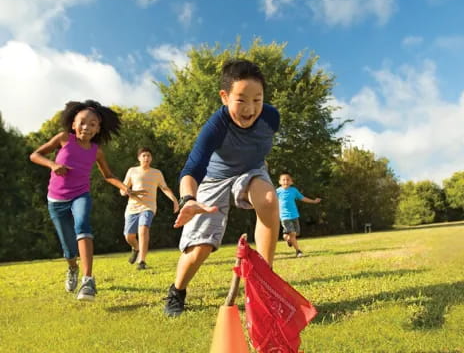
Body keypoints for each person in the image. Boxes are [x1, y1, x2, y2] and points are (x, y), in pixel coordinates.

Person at [163, 59, 280, 317]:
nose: (250, 109)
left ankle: (263, 284)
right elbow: (191, 170)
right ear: (225, 97)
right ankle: (177, 291)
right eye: (241, 100)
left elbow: (256, 145)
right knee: (200, 247)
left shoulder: (271, 117)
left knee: (269, 200)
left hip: (251, 171)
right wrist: (188, 199)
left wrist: (257, 169)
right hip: (214, 179)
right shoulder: (216, 126)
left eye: (257, 100)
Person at [30, 100, 140, 301]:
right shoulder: (64, 139)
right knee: (68, 247)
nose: (86, 127)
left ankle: (88, 280)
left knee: (82, 224)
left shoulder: (96, 151)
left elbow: (107, 175)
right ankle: (73, 268)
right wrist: (53, 164)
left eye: (92, 124)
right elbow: (35, 155)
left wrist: (125, 188)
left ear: (98, 129)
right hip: (56, 200)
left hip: (80, 195)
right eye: (82, 122)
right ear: (73, 124)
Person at [120, 147, 179, 270]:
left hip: (148, 207)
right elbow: (122, 190)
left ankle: (141, 261)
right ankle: (136, 248)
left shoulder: (157, 173)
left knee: (143, 229)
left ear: (151, 158)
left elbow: (164, 188)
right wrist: (129, 192)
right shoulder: (132, 171)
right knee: (129, 236)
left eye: (148, 156)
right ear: (139, 158)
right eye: (144, 155)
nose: (146, 158)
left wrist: (174, 199)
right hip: (132, 208)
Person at [276, 173, 321, 258]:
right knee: (292, 233)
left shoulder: (294, 190)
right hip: (284, 217)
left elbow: (303, 198)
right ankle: (298, 251)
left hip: (294, 215)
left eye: (288, 179)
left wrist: (313, 201)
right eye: (283, 179)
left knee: (295, 234)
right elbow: (270, 200)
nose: (286, 181)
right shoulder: (277, 191)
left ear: (291, 182)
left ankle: (287, 238)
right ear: (280, 182)